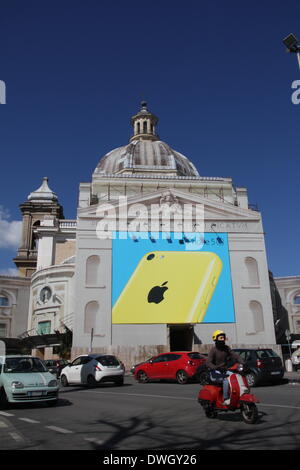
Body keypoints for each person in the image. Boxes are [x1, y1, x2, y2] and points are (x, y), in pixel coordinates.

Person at [206, 329, 244, 405]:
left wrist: (243, 362)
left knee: (237, 376)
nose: (223, 339)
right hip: (215, 372)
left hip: (224, 370)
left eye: (223, 337)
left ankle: (240, 395)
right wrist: (215, 367)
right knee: (226, 380)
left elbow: (235, 355)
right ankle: (225, 399)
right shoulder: (213, 350)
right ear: (215, 338)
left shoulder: (226, 348)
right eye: (220, 337)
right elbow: (208, 362)